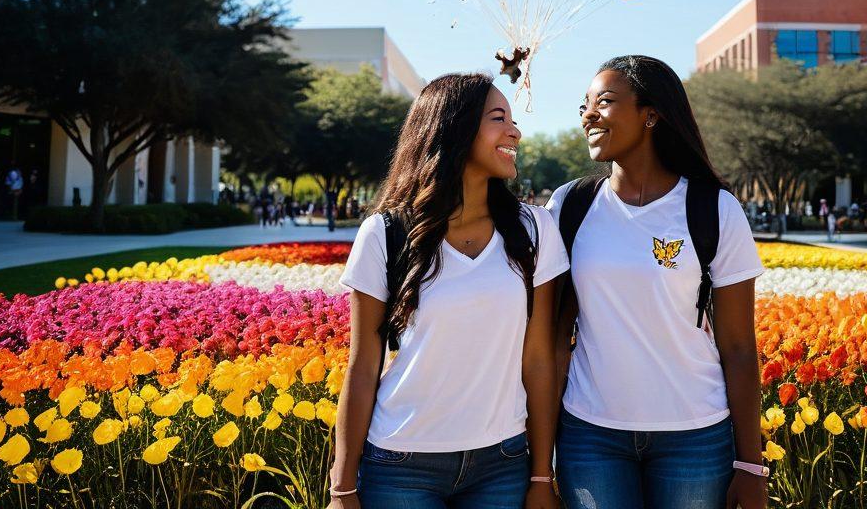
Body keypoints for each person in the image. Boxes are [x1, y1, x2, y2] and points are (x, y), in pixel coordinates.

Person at [328, 73, 568, 509]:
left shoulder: (536, 230)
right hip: (401, 464)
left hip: (503, 462)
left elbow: (538, 359)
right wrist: (342, 488)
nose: (514, 131)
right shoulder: (384, 234)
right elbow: (363, 366)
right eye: (499, 118)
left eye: (512, 119)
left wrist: (540, 475)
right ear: (455, 128)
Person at [550, 56, 768, 509]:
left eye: (605, 102)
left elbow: (740, 347)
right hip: (590, 435)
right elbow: (554, 338)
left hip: (695, 436)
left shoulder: (715, 209)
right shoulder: (568, 206)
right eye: (584, 105)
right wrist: (539, 461)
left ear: (651, 115)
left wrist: (750, 465)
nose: (588, 114)